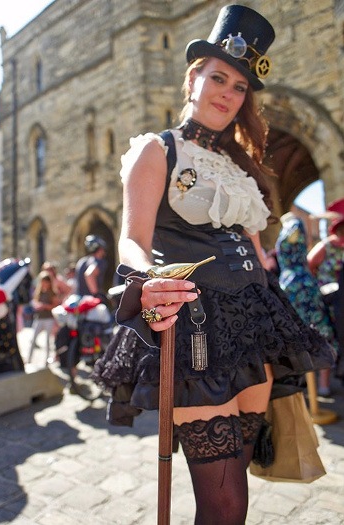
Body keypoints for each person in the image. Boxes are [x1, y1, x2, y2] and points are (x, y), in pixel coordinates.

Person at [94, 6, 335, 524]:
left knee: (238, 493)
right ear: (192, 79)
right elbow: (132, 241)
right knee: (223, 503)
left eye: (240, 87)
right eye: (218, 77)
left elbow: (253, 246)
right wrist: (147, 280)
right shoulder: (155, 150)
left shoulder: (240, 167)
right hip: (197, 331)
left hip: (255, 327)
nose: (228, 92)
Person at [276, 212, 336, 396]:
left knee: (316, 332)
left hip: (296, 285)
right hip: (299, 284)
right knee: (307, 333)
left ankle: (320, 385)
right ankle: (312, 385)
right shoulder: (294, 229)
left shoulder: (293, 226)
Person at [308, 198, 344, 389]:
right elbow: (310, 264)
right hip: (328, 299)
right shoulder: (326, 246)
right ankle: (324, 384)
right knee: (328, 337)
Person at [27, 271, 60, 365]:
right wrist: (37, 305)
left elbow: (55, 306)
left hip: (48, 318)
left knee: (47, 341)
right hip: (39, 318)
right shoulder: (38, 292)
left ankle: (46, 360)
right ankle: (29, 359)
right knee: (33, 339)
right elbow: (34, 302)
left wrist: (44, 306)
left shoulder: (52, 293)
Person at [75, 235, 108, 301]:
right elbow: (89, 274)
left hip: (80, 299)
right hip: (91, 301)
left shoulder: (82, 261)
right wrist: (96, 295)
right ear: (101, 249)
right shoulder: (98, 261)